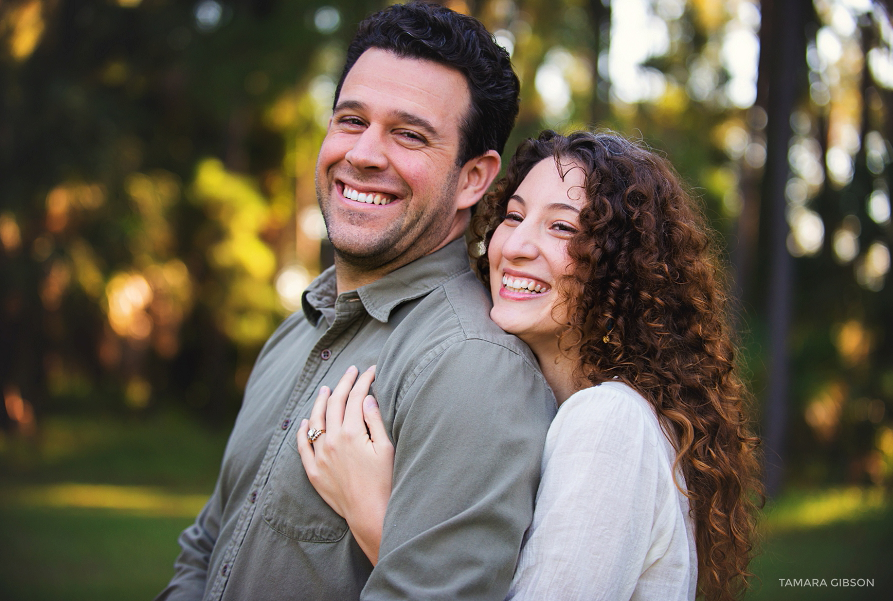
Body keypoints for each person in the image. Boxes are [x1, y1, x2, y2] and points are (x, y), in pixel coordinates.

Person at [156, 4, 557, 600]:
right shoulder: (295, 332)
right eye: (350, 120)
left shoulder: (471, 367)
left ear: (473, 178)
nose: (364, 154)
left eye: (409, 134)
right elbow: (207, 550)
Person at [299, 130, 763, 601]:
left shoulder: (607, 421)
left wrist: (372, 511)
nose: (516, 245)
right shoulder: (550, 411)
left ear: (622, 265)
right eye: (514, 215)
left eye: (562, 227)